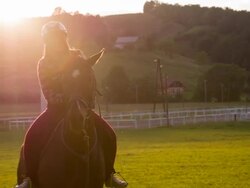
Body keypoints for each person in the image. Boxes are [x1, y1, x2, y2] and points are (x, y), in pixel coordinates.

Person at [16, 21, 127, 188]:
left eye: (58, 37)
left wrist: (85, 99)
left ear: (64, 38)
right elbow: (48, 91)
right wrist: (66, 99)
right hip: (56, 110)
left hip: (80, 107)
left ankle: (109, 174)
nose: (55, 41)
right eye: (51, 39)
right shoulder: (44, 63)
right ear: (46, 41)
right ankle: (29, 178)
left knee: (109, 134)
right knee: (32, 137)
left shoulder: (76, 56)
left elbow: (85, 77)